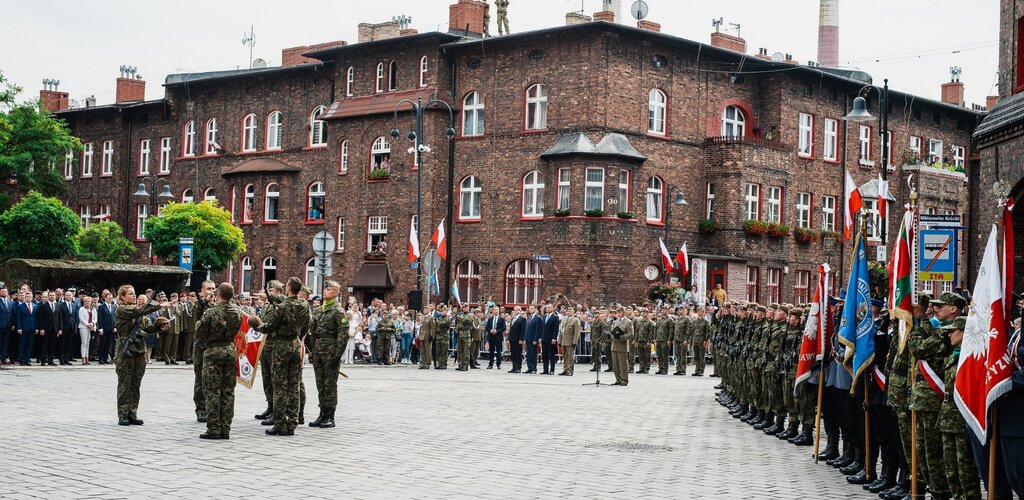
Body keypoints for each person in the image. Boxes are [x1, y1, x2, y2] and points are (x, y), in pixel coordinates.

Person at [195, 283, 247, 440]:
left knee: (212, 391)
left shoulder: (211, 312)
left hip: (213, 351)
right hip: (230, 350)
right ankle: (226, 427)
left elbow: (200, 332)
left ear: (218, 295)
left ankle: (214, 428)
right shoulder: (237, 312)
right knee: (228, 391)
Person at [261, 277, 310, 436]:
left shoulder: (282, 307)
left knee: (280, 386)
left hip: (281, 346)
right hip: (295, 345)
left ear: (288, 288)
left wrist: (256, 326)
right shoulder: (303, 304)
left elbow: (269, 326)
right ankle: (292, 422)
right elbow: (306, 326)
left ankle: (280, 423)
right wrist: (297, 336)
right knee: (294, 385)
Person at [113, 285, 164, 426]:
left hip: (139, 350)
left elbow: (147, 327)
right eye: (130, 294)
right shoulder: (122, 309)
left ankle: (132, 413)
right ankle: (123, 414)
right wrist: (156, 305)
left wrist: (160, 327)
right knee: (125, 384)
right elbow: (136, 312)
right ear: (122, 297)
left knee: (136, 384)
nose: (134, 296)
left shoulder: (140, 312)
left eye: (134, 293)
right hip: (125, 351)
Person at [309, 280, 346, 429]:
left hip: (331, 352)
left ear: (336, 293)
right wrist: (312, 350)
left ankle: (330, 415)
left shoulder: (338, 311)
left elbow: (342, 335)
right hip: (318, 351)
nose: (325, 292)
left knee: (330, 384)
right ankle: (322, 413)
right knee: (320, 383)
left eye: (329, 289)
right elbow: (313, 332)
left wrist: (337, 355)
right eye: (325, 290)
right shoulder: (318, 310)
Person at [192, 280, 217, 423]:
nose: (211, 291)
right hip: (201, 347)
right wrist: (204, 302)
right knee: (200, 379)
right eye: (208, 288)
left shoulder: (217, 305)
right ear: (202, 290)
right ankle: (200, 409)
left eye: (213, 288)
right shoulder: (198, 304)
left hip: (213, 347)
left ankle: (211, 408)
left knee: (213, 380)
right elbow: (197, 317)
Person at [609, 307, 634, 386]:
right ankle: (618, 379)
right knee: (615, 364)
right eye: (618, 312)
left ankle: (624, 379)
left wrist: (621, 337)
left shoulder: (628, 322)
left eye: (620, 312)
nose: (619, 313)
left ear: (624, 312)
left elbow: (631, 334)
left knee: (622, 364)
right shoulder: (615, 321)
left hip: (622, 345)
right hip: (614, 345)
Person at [56, 290, 79, 365]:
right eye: (67, 295)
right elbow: (60, 317)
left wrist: (75, 327)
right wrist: (60, 328)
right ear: (64, 296)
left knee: (69, 344)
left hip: (71, 327)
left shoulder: (74, 305)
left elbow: (75, 317)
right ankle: (61, 359)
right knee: (62, 344)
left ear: (72, 296)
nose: (69, 296)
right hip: (63, 327)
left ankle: (66, 358)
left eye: (70, 295)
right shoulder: (60, 305)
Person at [557, 308, 581, 376]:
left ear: (573, 312)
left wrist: (575, 341)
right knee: (565, 356)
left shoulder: (575, 320)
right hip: (564, 340)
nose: (568, 312)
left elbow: (577, 332)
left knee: (570, 357)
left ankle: (570, 370)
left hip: (570, 341)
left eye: (570, 311)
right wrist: (559, 340)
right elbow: (561, 330)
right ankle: (565, 369)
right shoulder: (564, 319)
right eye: (567, 311)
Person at [541, 304, 560, 375]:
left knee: (551, 355)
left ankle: (552, 370)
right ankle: (545, 369)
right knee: (544, 355)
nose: (547, 309)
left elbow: (556, 329)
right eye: (547, 308)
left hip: (551, 339)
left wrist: (554, 338)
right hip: (544, 338)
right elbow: (543, 328)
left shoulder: (555, 317)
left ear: (552, 308)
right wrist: (541, 337)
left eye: (549, 308)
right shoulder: (545, 316)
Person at [77, 296, 96, 365]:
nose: (87, 303)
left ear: (91, 302)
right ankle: (83, 358)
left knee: (88, 343)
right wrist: (87, 324)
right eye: (86, 301)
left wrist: (92, 323)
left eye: (88, 301)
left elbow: (95, 319)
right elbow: (81, 318)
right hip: (83, 327)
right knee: (84, 343)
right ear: (84, 302)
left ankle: (87, 358)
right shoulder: (81, 309)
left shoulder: (93, 309)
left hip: (91, 327)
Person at [507, 306, 525, 373]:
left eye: (517, 310)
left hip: (518, 339)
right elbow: (511, 330)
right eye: (515, 310)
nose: (516, 311)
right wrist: (509, 338)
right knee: (513, 354)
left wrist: (521, 339)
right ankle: (514, 367)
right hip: (512, 339)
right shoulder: (513, 319)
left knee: (518, 354)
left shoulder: (522, 319)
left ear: (520, 311)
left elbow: (523, 330)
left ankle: (518, 368)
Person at [0, 284, 12, 366]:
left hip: (8, 326)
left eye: (5, 291)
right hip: (0, 325)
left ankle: (4, 358)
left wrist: (13, 324)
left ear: (7, 293)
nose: (4, 293)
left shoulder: (10, 302)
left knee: (6, 343)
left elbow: (12, 314)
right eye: (2, 291)